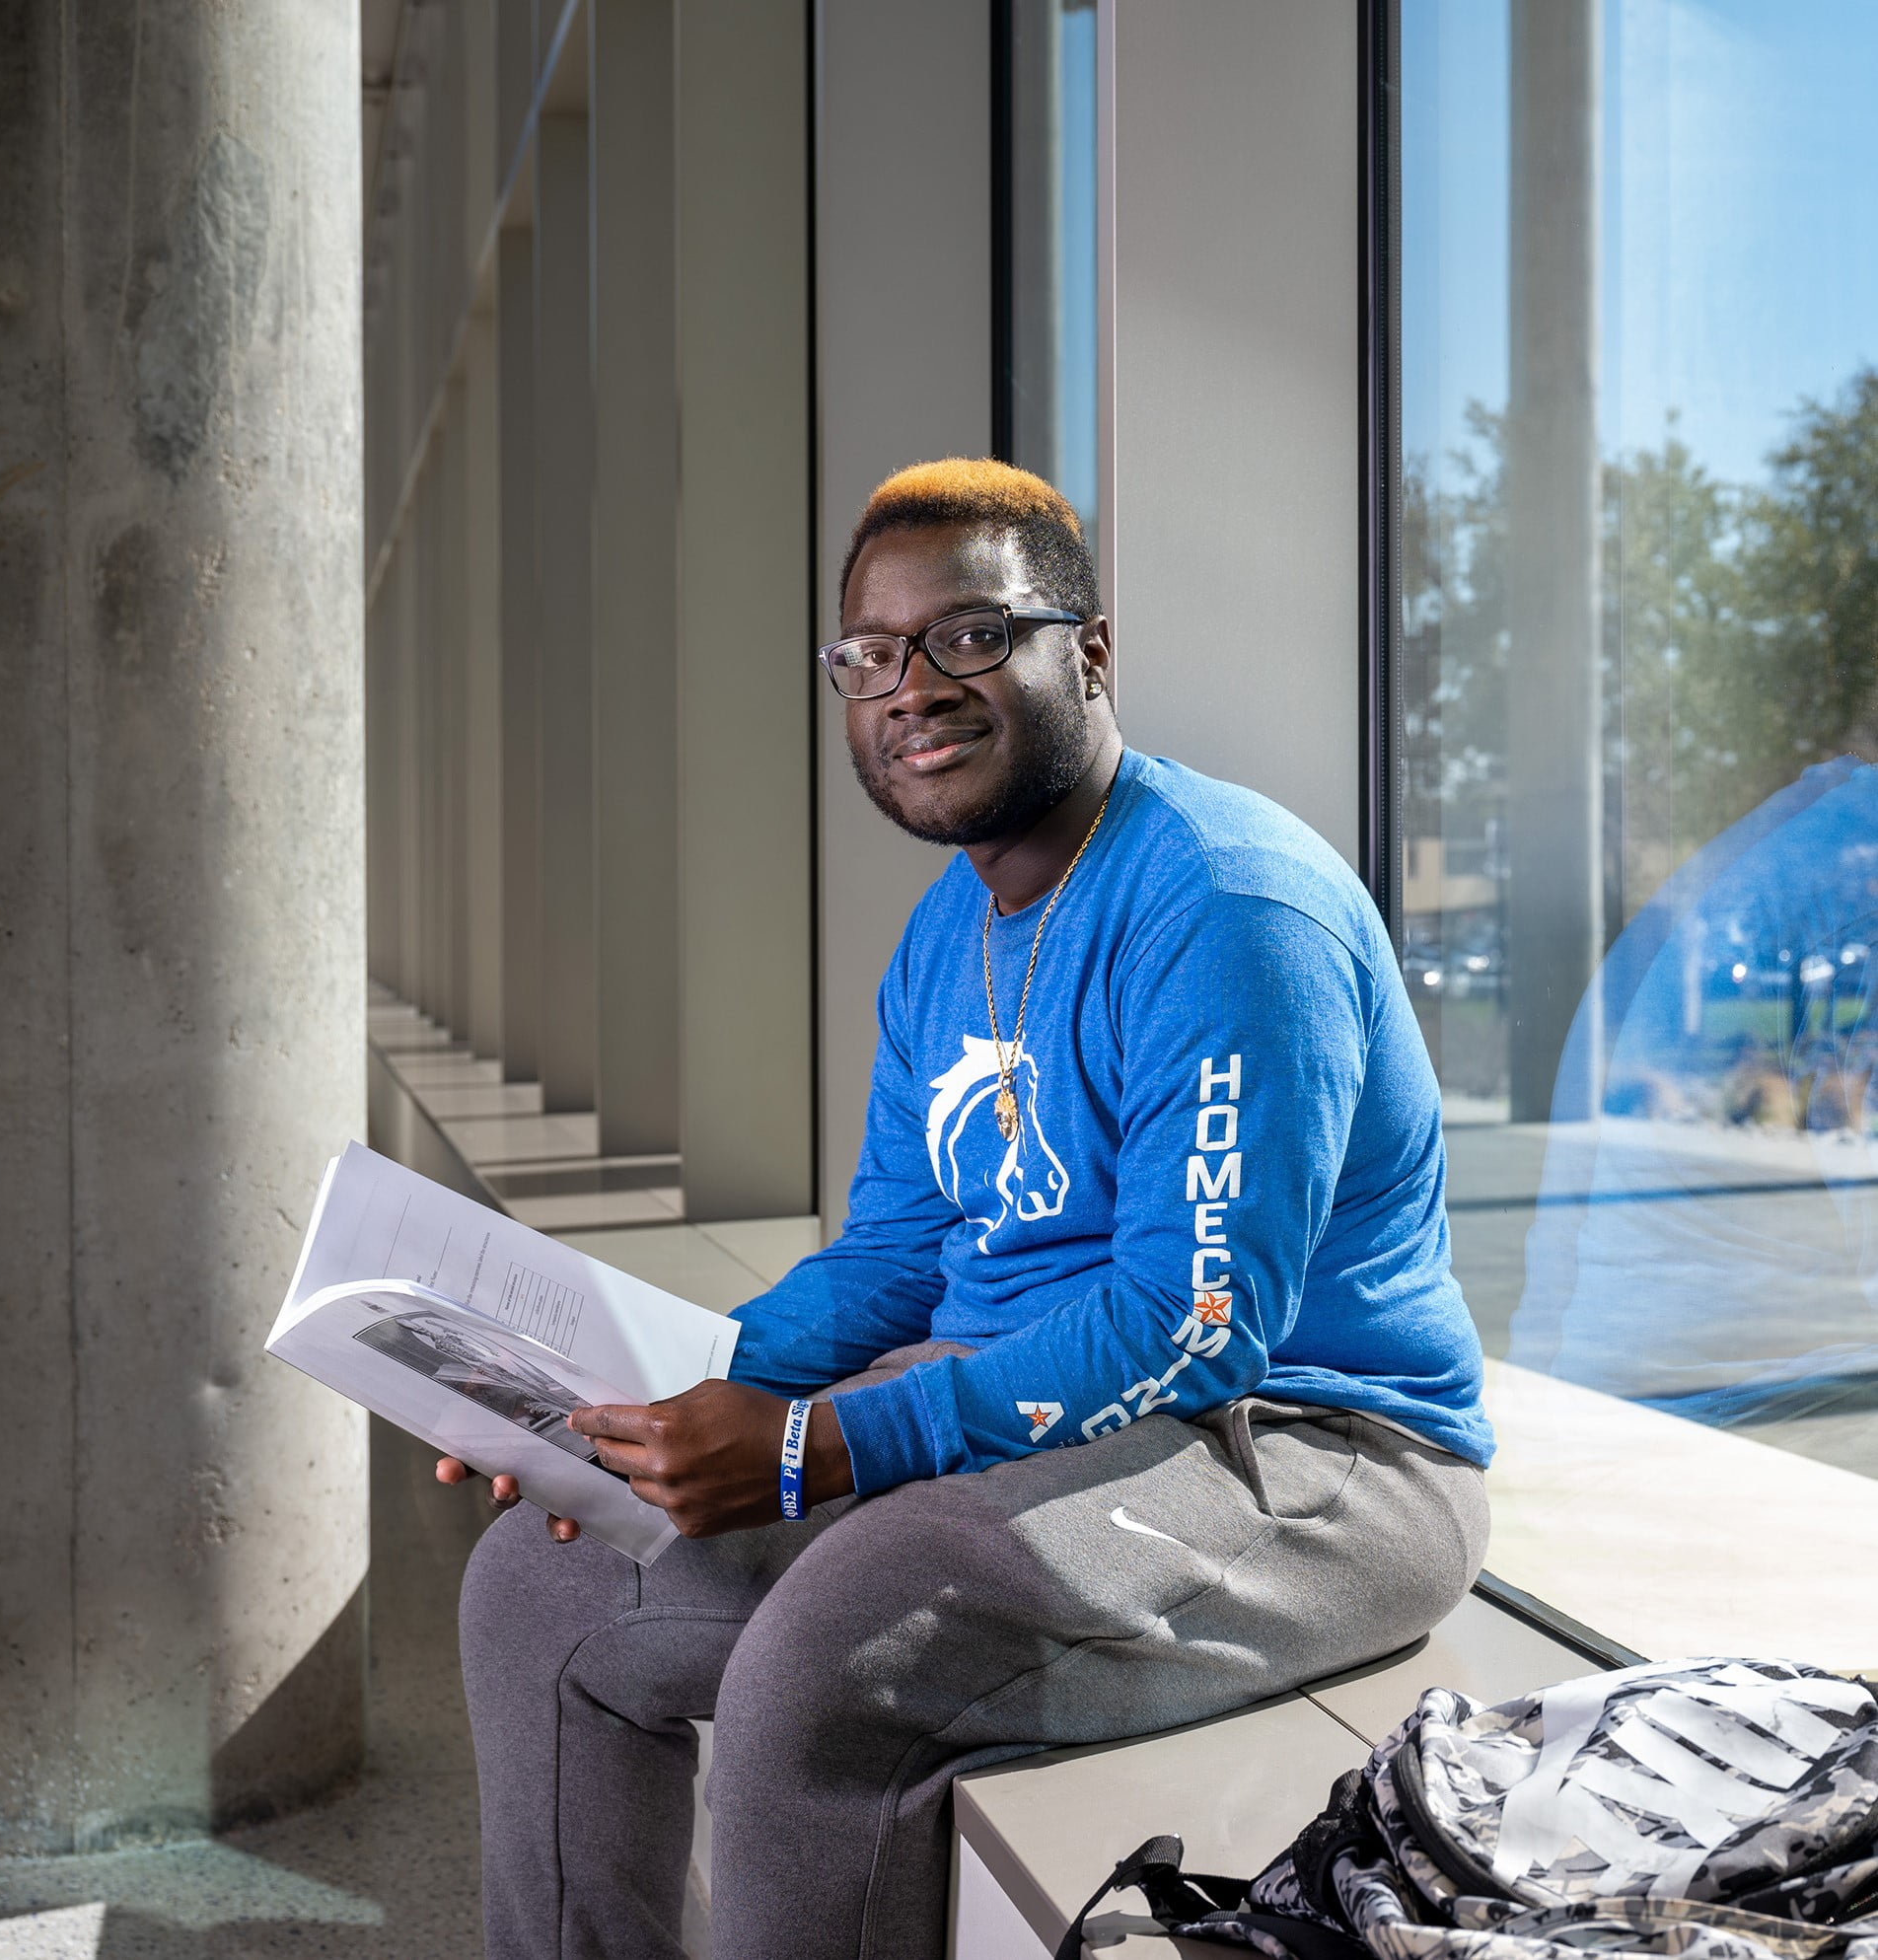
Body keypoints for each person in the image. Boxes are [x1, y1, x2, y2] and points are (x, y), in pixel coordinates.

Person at [447, 458, 1493, 1960]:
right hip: (1029, 1410)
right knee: (542, 1582)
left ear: (1090, 652)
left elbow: (1194, 1325)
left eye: (970, 635)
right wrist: (624, 1395)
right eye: (869, 655)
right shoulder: (952, 929)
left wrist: (824, 1444)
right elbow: (895, 1251)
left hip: (1311, 1447)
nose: (912, 686)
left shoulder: (1226, 905)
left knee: (835, 1648)